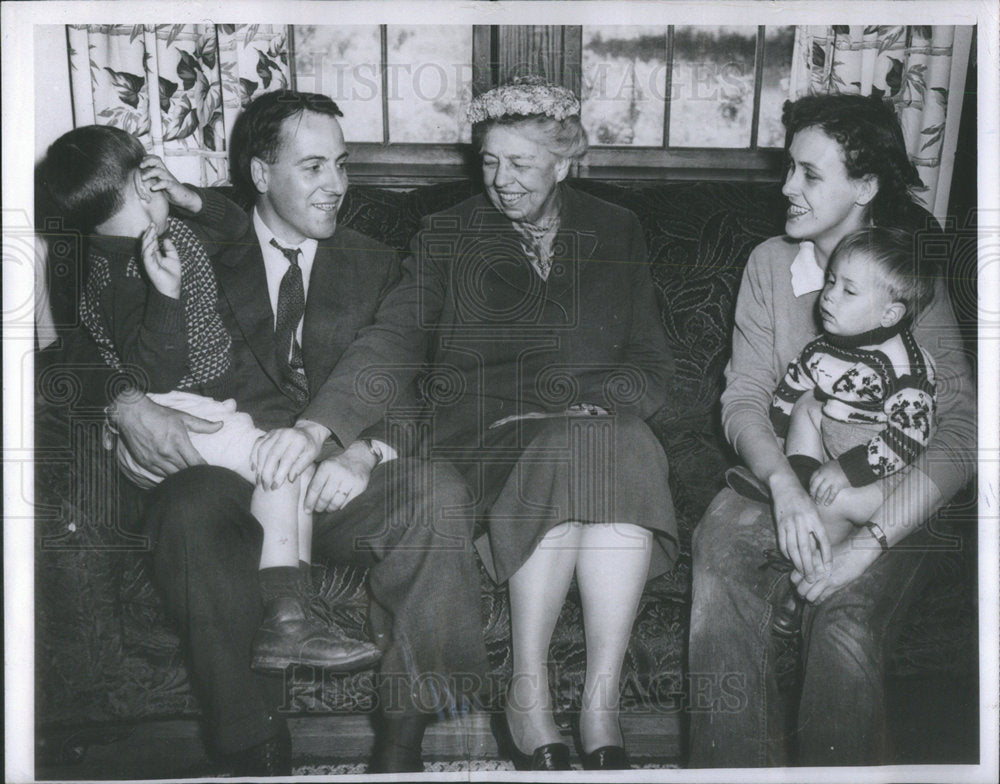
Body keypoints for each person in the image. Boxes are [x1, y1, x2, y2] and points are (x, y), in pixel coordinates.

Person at [258, 77, 679, 771]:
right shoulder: (450, 234)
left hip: (592, 428)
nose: (500, 180)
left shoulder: (616, 229)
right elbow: (392, 341)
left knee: (614, 438)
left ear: (565, 161)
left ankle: (601, 704)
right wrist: (323, 428)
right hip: (485, 441)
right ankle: (528, 693)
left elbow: (652, 365)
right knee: (594, 445)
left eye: (520, 164)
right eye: (488, 161)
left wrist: (598, 403)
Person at [104, 91, 489, 775]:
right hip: (227, 482)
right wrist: (125, 400)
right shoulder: (191, 247)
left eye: (341, 166)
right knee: (187, 509)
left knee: (436, 493)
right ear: (259, 173)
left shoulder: (374, 262)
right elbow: (94, 337)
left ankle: (401, 750)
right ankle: (257, 755)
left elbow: (413, 376)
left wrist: (367, 452)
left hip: (337, 481)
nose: (336, 186)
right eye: (313, 167)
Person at [688, 93, 976, 766]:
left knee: (844, 625)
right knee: (720, 557)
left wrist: (869, 542)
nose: (786, 187)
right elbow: (746, 398)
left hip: (893, 492)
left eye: (809, 174)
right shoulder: (769, 265)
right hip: (786, 476)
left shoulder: (906, 269)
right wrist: (786, 488)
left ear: (866, 186)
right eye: (789, 168)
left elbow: (961, 428)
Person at [40, 125, 378, 675]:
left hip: (203, 411)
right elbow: (151, 373)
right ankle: (291, 618)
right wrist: (166, 299)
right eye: (147, 184)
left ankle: (289, 613)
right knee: (284, 462)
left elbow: (234, 227)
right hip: (177, 412)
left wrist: (185, 195)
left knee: (279, 467)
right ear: (134, 191)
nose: (160, 195)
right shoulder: (126, 268)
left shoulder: (159, 228)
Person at [727, 226, 939, 635]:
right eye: (830, 281)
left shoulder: (905, 367)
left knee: (831, 502)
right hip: (835, 449)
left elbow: (910, 438)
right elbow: (791, 388)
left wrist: (845, 472)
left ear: (890, 314)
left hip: (888, 476)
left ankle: (810, 576)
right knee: (808, 403)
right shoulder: (826, 346)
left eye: (849, 291)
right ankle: (803, 480)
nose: (829, 296)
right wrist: (774, 437)